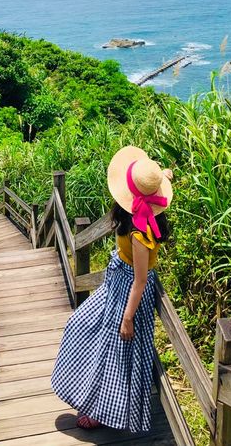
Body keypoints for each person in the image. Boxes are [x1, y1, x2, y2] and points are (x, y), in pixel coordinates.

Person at [50, 145, 173, 433]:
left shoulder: (141, 233)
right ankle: (91, 398)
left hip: (129, 292)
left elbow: (140, 280)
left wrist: (128, 318)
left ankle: (100, 410)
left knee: (116, 350)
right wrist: (164, 174)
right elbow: (161, 178)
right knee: (79, 324)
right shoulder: (133, 218)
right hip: (115, 283)